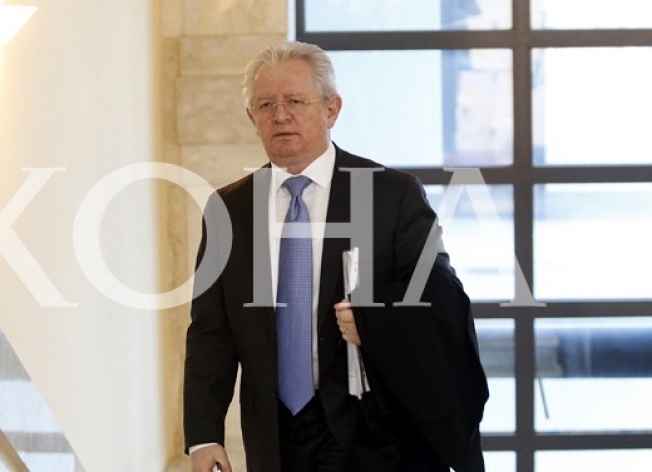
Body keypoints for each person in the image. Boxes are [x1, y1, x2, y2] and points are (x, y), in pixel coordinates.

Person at [184, 41, 488, 472]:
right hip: (275, 441)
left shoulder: (391, 195)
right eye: (267, 104)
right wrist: (204, 436)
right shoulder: (228, 210)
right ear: (252, 117)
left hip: (377, 437)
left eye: (295, 101)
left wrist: (375, 319)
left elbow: (439, 296)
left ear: (332, 109)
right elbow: (209, 332)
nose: (281, 115)